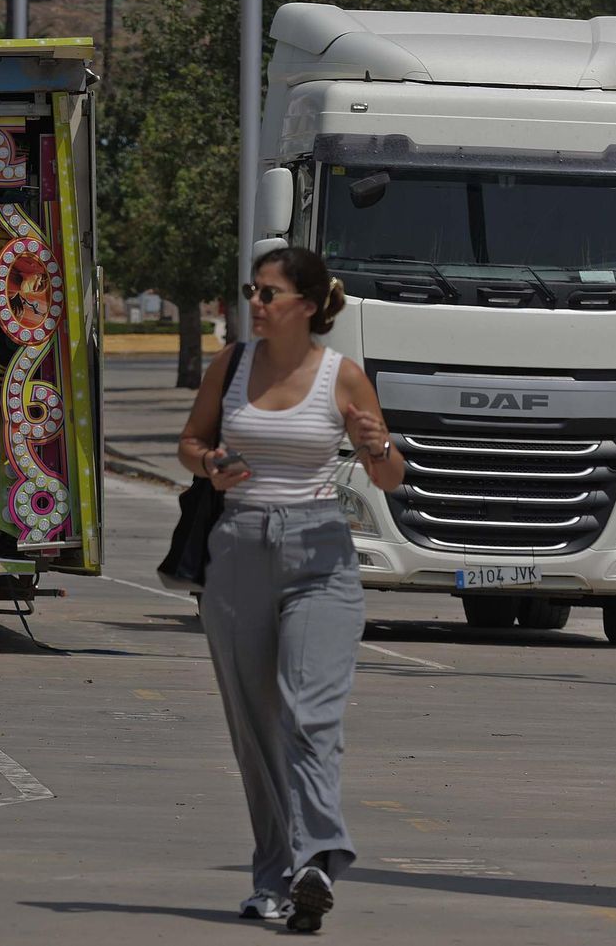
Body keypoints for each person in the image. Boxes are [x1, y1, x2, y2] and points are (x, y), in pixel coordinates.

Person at [176, 245, 405, 934]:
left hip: (319, 555)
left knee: (310, 714)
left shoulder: (345, 378)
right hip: (238, 548)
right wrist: (211, 462)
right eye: (254, 290)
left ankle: (315, 858)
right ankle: (273, 877)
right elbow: (191, 441)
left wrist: (377, 444)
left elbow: (390, 476)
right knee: (255, 726)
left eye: (270, 293)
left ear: (307, 304)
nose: (257, 302)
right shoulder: (234, 363)